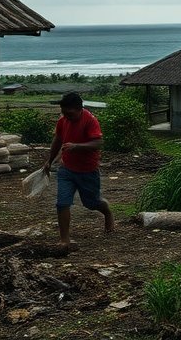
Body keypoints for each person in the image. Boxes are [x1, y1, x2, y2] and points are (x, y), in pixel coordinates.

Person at [42, 91, 114, 247]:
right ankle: (64, 239)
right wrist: (49, 160)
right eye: (64, 113)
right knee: (62, 203)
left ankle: (107, 212)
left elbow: (99, 143)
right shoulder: (63, 121)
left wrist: (77, 146)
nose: (66, 116)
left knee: (91, 203)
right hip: (66, 169)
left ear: (79, 108)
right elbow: (58, 139)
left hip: (88, 170)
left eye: (70, 114)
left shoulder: (90, 120)